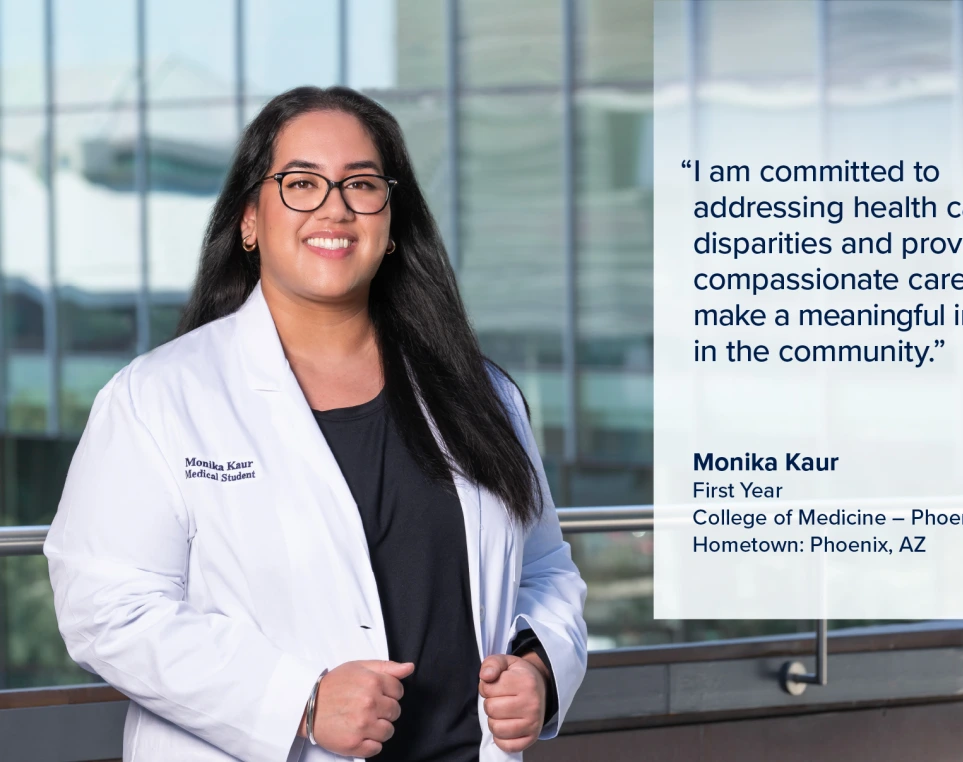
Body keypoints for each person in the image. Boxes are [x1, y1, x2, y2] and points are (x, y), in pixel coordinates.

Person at [43, 86, 588, 762]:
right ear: (250, 219)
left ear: (391, 223)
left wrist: (538, 667)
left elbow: (545, 568)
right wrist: (296, 700)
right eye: (301, 182)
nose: (334, 206)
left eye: (361, 184)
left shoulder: (483, 393)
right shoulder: (157, 398)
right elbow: (107, 611)